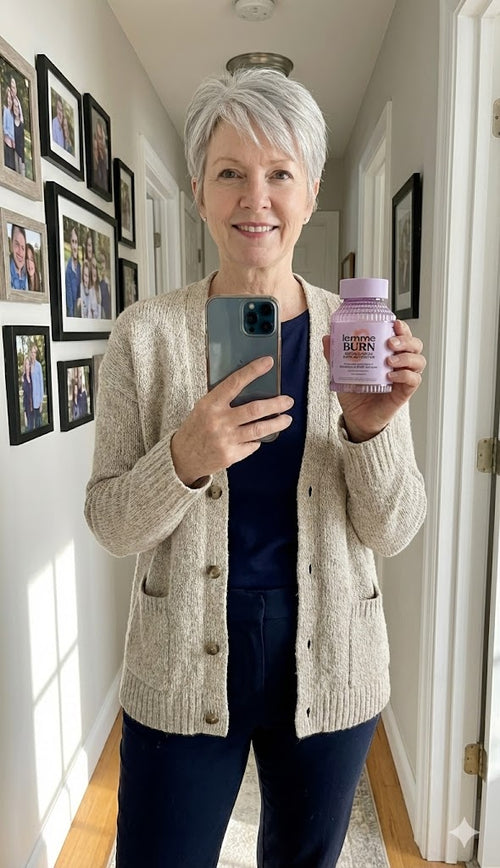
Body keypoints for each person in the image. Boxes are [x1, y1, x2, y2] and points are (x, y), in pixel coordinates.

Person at [85, 68, 427, 868]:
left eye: (280, 174)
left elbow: (394, 530)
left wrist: (370, 429)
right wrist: (184, 458)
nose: (255, 199)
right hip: (180, 659)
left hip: (332, 655)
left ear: (310, 194)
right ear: (199, 192)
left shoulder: (359, 330)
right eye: (230, 173)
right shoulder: (144, 335)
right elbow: (109, 522)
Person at [65, 225, 81, 316]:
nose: (74, 246)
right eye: (73, 242)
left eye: (76, 242)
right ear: (70, 244)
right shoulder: (67, 269)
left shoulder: (81, 267)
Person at [30, 343, 44, 429]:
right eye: (32, 352)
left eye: (34, 352)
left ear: (36, 354)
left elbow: (41, 383)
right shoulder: (28, 365)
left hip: (37, 400)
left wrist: (41, 402)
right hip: (31, 400)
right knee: (32, 424)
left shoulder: (39, 366)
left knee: (39, 424)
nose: (33, 354)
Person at [9, 224, 27, 290]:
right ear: (11, 244)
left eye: (23, 248)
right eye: (17, 244)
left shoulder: (27, 275)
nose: (20, 252)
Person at [3, 85, 15, 170]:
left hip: (12, 145)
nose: (9, 100)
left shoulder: (12, 114)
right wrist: (11, 138)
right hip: (8, 142)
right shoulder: (5, 110)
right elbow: (4, 128)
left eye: (10, 98)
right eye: (8, 98)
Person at [13, 95, 25, 175]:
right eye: (14, 106)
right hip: (14, 152)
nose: (16, 109)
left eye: (17, 107)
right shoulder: (11, 122)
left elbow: (23, 143)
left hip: (21, 155)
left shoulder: (21, 124)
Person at [98, 250, 111, 319]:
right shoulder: (96, 282)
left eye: (103, 262)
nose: (101, 265)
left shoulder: (108, 282)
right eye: (99, 262)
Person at [21, 356, 33, 432]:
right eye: (26, 364)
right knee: (29, 426)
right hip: (27, 404)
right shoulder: (23, 377)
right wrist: (25, 410)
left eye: (28, 364)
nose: (27, 366)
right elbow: (25, 394)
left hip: (34, 403)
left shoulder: (32, 376)